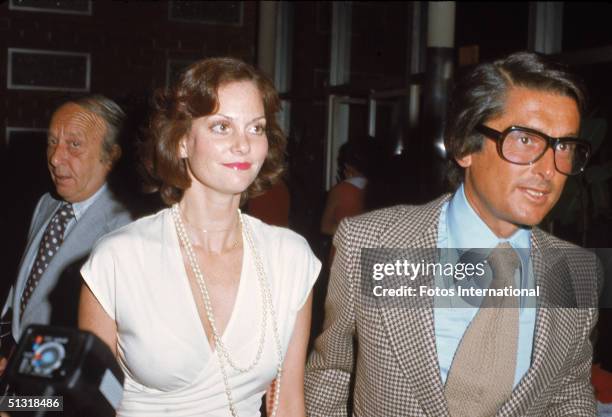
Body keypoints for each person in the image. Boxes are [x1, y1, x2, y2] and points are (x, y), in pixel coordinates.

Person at [305, 51, 600, 416]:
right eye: (525, 140)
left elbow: (568, 394)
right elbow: (332, 373)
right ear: (464, 146)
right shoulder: (371, 243)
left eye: (564, 146)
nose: (548, 169)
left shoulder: (573, 271)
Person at [79, 57, 321, 416]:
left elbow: (287, 404)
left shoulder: (291, 257)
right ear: (180, 142)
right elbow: (87, 404)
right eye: (222, 127)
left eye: (256, 128)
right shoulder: (119, 258)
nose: (244, 145)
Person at [0, 95, 132, 372]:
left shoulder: (126, 230)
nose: (56, 158)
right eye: (52, 142)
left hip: (59, 389)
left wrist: (26, 368)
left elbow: (114, 346)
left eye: (74, 145)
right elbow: (22, 295)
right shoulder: (47, 205)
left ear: (112, 156)